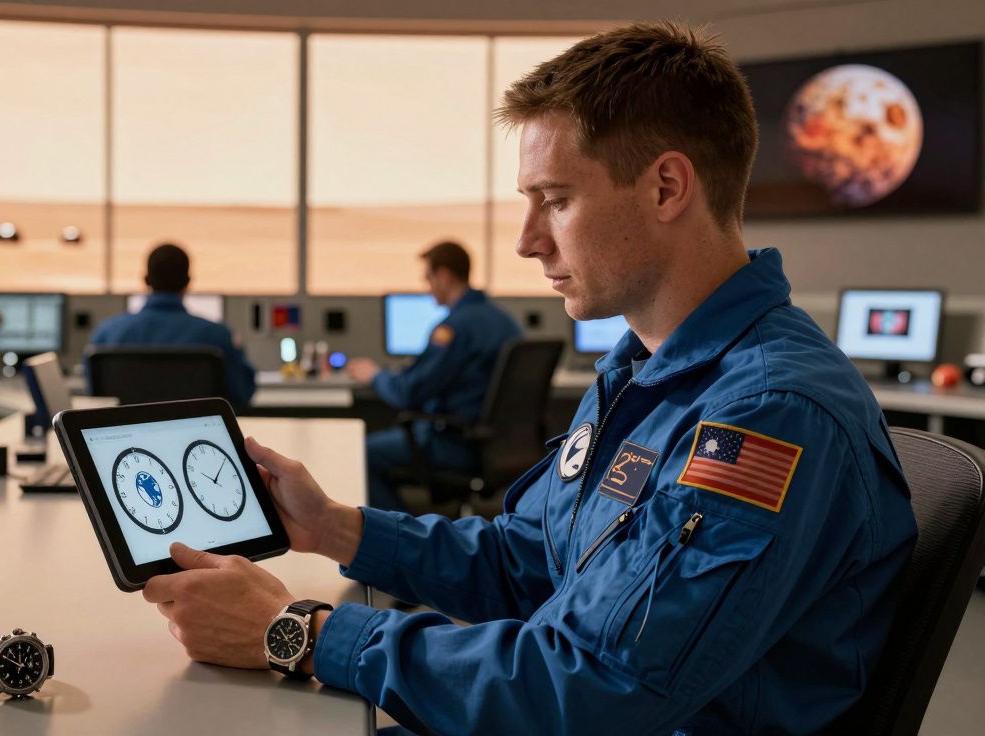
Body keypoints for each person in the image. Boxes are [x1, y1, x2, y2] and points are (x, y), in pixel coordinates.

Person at [140, 22, 918, 734]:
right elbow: (531, 564)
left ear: (667, 187)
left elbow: (591, 687)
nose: (525, 241)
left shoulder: (767, 414)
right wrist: (337, 528)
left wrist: (298, 633)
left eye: (557, 200)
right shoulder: (643, 372)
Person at [346, 241, 522, 512]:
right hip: (498, 444)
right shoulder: (503, 320)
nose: (426, 286)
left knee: (361, 453)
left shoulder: (455, 328)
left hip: (454, 443)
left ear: (444, 276)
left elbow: (409, 393)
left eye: (428, 278)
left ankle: (399, 540)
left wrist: (374, 376)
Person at [89, 243, 257, 408]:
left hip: (127, 433)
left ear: (146, 279)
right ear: (188, 281)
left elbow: (95, 398)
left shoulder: (106, 334)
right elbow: (240, 395)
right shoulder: (218, 336)